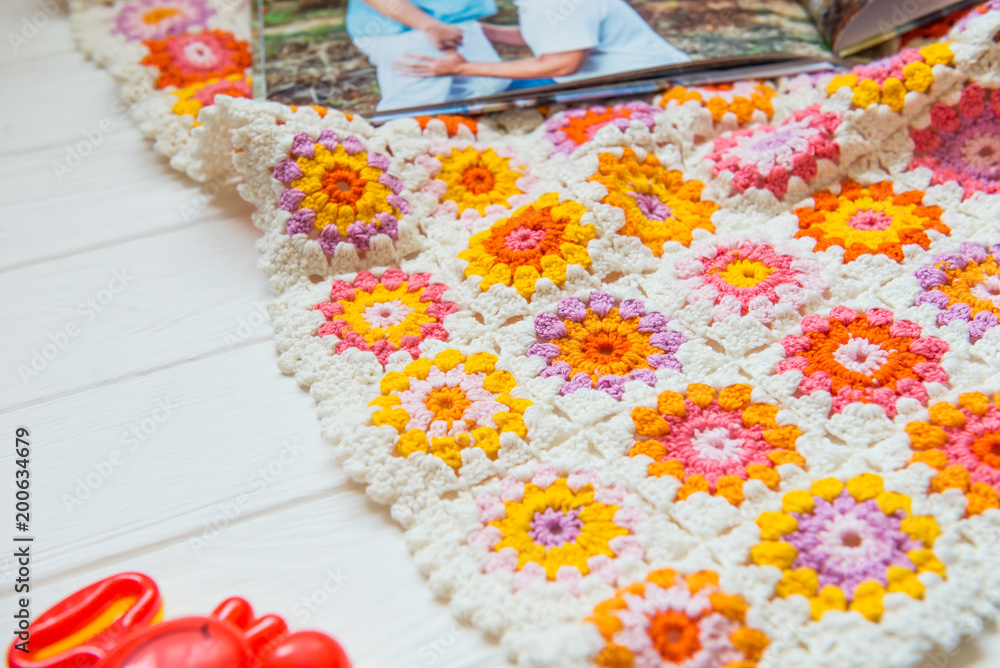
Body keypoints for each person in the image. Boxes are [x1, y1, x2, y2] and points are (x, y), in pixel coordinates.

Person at [394, 0, 689, 84]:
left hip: (653, 86)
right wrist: (483, 30)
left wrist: (462, 68)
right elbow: (554, 37)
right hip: (619, 81)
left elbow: (562, 64)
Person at [345, 0, 511, 111]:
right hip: (407, 27)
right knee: (414, 110)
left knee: (490, 88)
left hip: (455, 20)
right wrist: (428, 25)